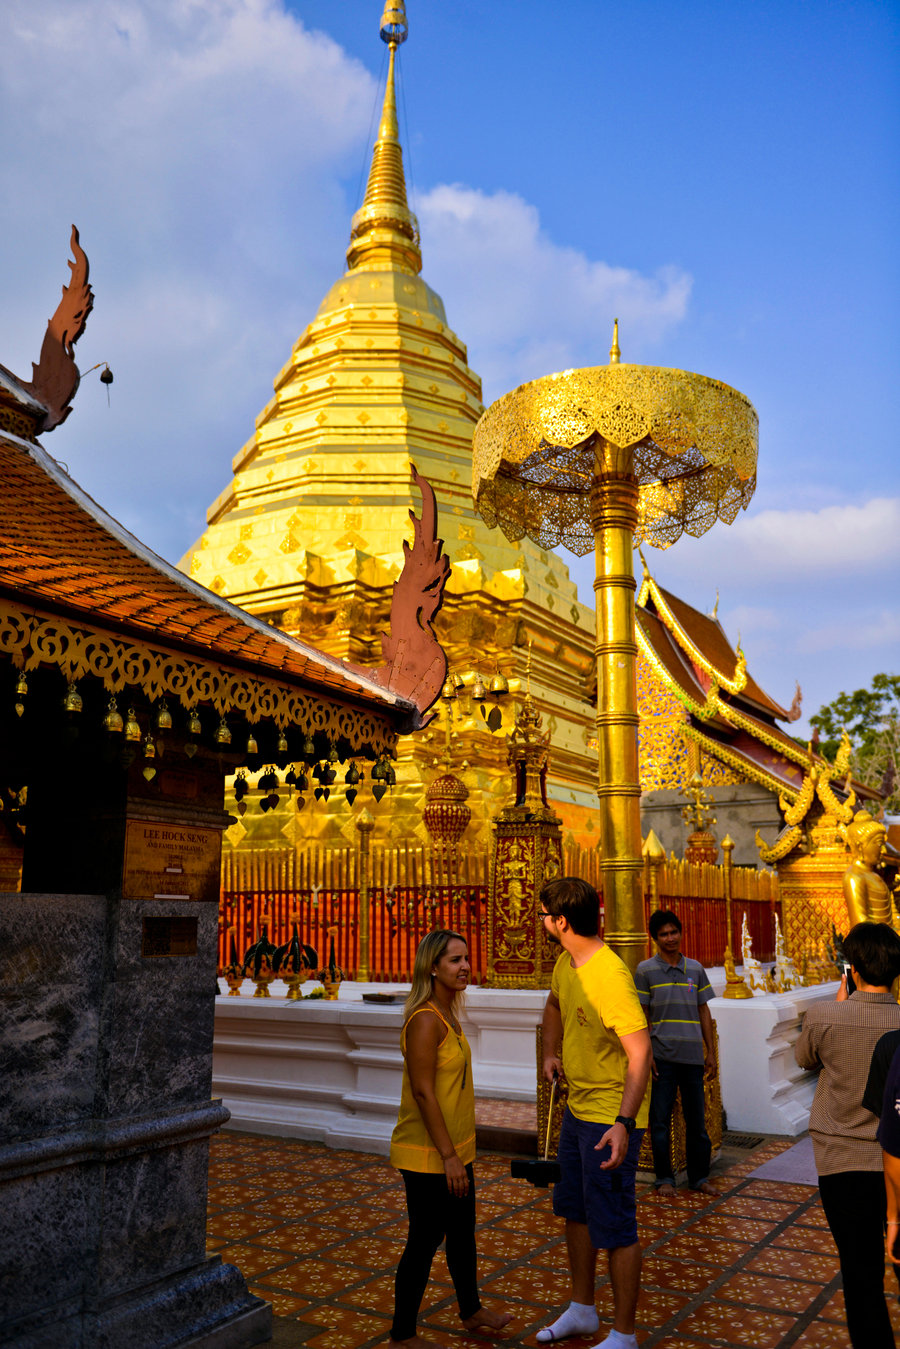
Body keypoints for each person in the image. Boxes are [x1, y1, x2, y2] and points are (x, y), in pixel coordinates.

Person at [538, 877, 652, 1349]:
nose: (541, 922)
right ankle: (583, 1310)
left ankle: (624, 1334)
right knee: (576, 1213)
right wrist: (550, 1051)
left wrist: (623, 1124)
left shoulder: (609, 975)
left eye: (544, 914)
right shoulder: (567, 964)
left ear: (561, 922)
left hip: (610, 1117)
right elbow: (553, 1005)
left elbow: (641, 1052)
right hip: (577, 1109)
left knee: (616, 1225)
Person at [388, 929, 510, 1349]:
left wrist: (458, 1154)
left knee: (462, 1233)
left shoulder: (446, 1014)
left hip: (454, 1150)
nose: (464, 967)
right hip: (429, 1155)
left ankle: (471, 1309)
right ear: (432, 967)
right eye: (455, 960)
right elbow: (423, 1092)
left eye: (466, 958)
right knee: (424, 1240)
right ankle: (402, 1333)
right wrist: (448, 1157)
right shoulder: (425, 1019)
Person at [794, 920, 900, 1349]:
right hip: (897, 1160)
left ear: (852, 969)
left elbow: (804, 1059)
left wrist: (840, 1006)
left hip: (841, 1161)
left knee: (861, 1272)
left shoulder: (825, 1017)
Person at [633, 910, 718, 1198]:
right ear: (654, 939)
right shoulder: (645, 971)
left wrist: (711, 1052)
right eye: (664, 934)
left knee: (697, 1122)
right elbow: (642, 1015)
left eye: (674, 932)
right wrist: (648, 1055)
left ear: (681, 933)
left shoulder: (695, 969)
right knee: (659, 1120)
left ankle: (699, 1177)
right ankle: (665, 1178)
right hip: (662, 1059)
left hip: (693, 1056)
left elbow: (703, 1010)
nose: (670, 938)